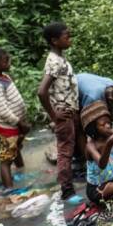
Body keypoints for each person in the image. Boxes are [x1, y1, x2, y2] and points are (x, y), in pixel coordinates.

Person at [37, 22, 80, 200]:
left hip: (69, 110)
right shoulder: (54, 61)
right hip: (63, 113)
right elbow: (41, 91)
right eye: (66, 36)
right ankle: (67, 191)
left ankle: (75, 179)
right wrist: (55, 116)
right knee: (64, 152)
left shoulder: (59, 58)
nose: (69, 39)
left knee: (71, 146)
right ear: (54, 40)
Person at [0, 47, 32, 188]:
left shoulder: (4, 77)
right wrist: (19, 122)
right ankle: (10, 191)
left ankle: (21, 170)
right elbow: (3, 111)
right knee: (6, 161)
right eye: (6, 61)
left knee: (15, 148)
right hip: (9, 127)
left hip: (16, 124)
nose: (9, 62)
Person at [83, 114, 113, 205]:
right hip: (96, 188)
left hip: (111, 177)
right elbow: (101, 164)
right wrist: (109, 143)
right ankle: (106, 196)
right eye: (103, 125)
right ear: (94, 128)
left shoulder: (108, 136)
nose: (107, 126)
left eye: (109, 123)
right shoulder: (90, 145)